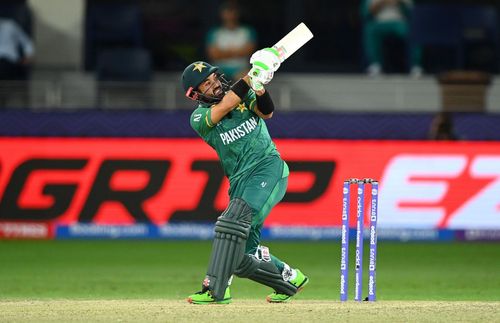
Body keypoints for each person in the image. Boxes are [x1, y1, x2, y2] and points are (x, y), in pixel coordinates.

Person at [181, 48, 308, 304]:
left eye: (214, 77)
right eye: (206, 83)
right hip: (240, 182)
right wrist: (252, 76)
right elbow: (225, 105)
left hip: (268, 168)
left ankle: (215, 290)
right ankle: (289, 279)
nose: (214, 83)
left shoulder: (242, 96)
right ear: (195, 94)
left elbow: (267, 112)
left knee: (230, 222)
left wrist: (259, 87)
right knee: (240, 257)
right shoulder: (198, 117)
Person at [361, 0, 422, 77]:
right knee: (369, 29)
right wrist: (382, 3)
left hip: (400, 22)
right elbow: (366, 14)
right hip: (379, 22)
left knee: (415, 30)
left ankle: (415, 65)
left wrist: (399, 3)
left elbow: (412, 12)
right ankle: (375, 65)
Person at [205, 2, 257, 81]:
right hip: (219, 68)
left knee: (248, 77)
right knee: (212, 78)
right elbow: (213, 54)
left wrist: (223, 53)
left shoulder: (247, 31)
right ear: (222, 14)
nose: (230, 15)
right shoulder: (214, 32)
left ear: (238, 13)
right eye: (227, 12)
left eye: (232, 11)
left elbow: (249, 51)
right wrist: (237, 52)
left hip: (241, 69)